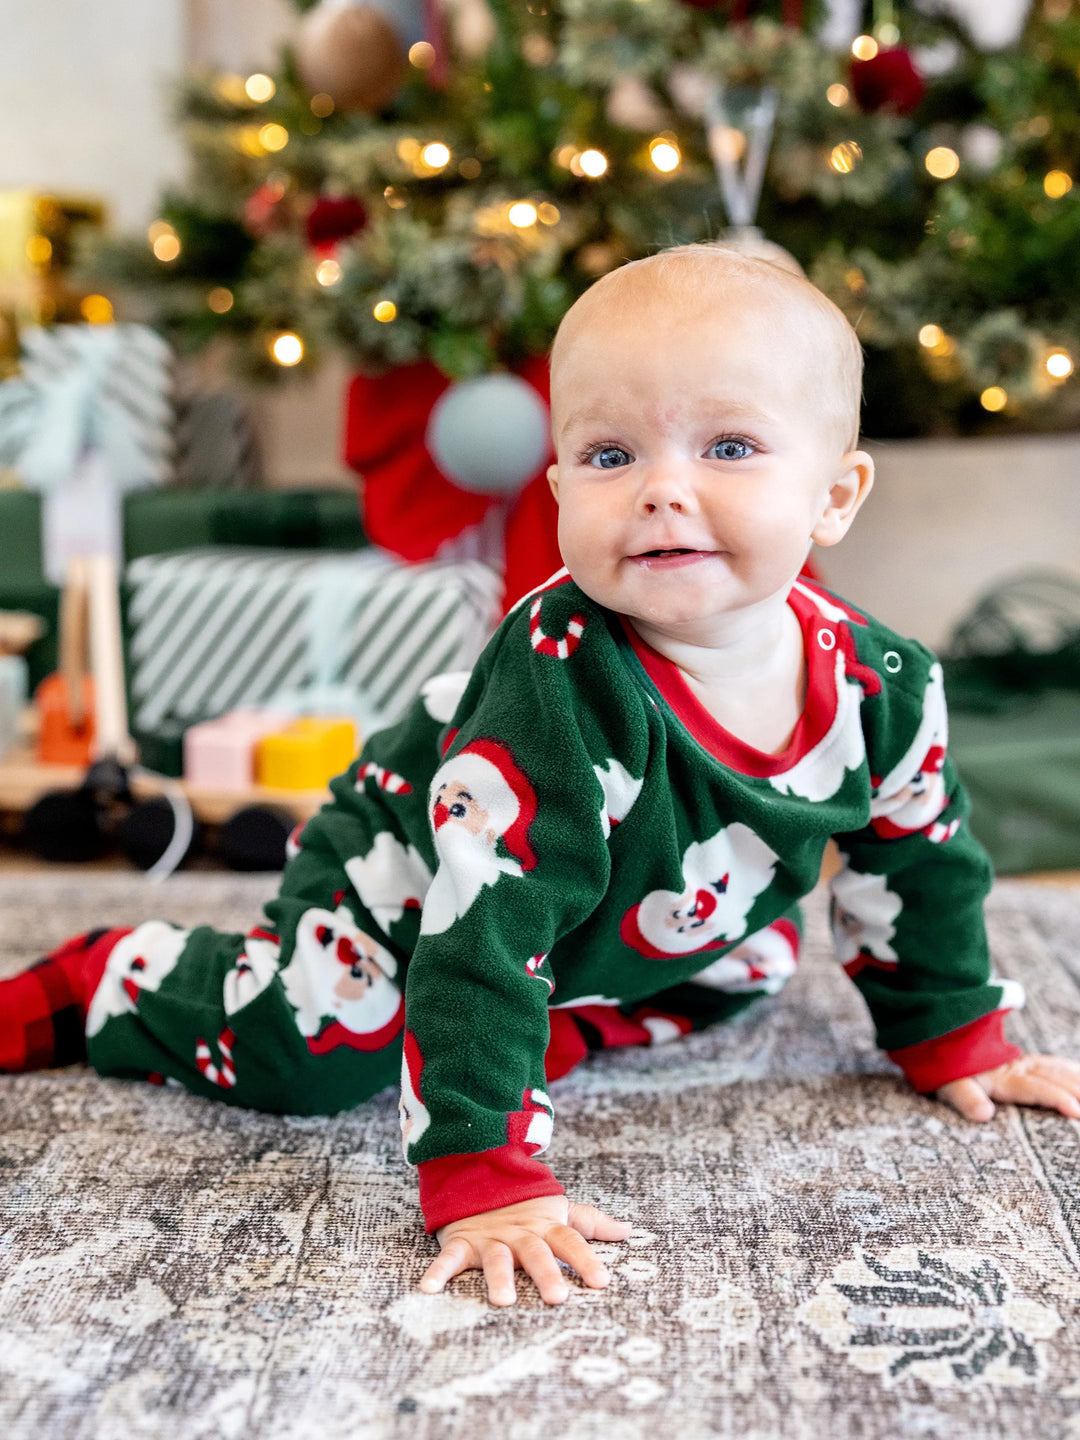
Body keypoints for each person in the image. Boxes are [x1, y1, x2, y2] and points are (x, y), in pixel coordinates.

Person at [4, 246, 1080, 1311]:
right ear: (558, 486)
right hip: (420, 878)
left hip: (630, 902)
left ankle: (546, 1018)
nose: (663, 490)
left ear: (835, 495)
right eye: (611, 458)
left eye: (731, 446)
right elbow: (482, 930)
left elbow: (922, 861)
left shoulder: (884, 684)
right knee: (313, 1053)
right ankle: (114, 978)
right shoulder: (559, 684)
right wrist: (486, 1177)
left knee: (743, 966)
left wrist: (951, 1033)